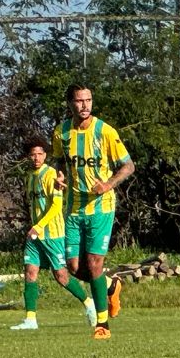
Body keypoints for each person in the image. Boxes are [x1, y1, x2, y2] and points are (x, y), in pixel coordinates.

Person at [53, 84, 135, 340]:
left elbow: (128, 166)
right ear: (70, 103)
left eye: (88, 100)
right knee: (75, 267)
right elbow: (59, 160)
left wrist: (108, 184)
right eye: (79, 101)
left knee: (94, 263)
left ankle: (102, 325)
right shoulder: (61, 132)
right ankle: (110, 285)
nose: (85, 105)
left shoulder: (105, 131)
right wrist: (59, 176)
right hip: (74, 207)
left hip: (101, 207)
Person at [10, 136, 96, 331]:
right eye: (33, 154)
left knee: (61, 276)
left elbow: (57, 206)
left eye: (40, 154)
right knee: (30, 271)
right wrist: (35, 227)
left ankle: (89, 303)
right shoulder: (30, 177)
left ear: (45, 155)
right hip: (35, 235)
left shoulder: (51, 175)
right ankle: (30, 319)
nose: (36, 158)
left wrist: (39, 226)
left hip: (52, 233)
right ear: (28, 157)